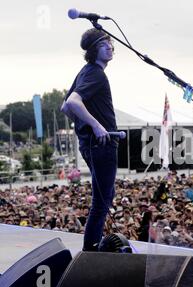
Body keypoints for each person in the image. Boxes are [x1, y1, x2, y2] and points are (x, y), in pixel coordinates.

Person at [60, 28, 118, 251]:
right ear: (94, 50)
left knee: (103, 199)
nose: (110, 47)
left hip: (92, 145)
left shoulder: (85, 71)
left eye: (111, 43)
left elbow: (65, 107)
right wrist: (96, 126)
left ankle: (90, 251)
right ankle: (90, 253)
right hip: (102, 145)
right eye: (104, 44)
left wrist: (84, 128)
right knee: (101, 204)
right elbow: (73, 102)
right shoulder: (96, 73)